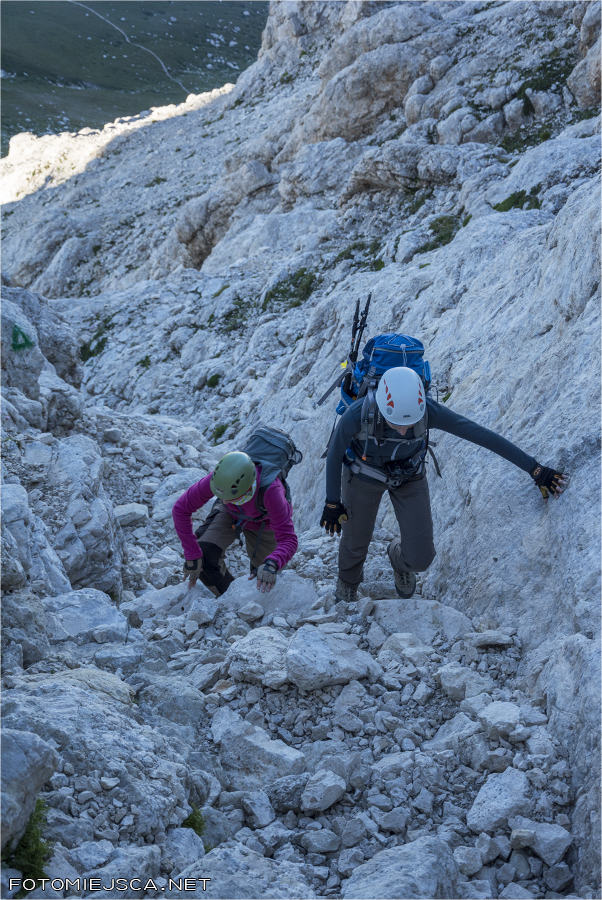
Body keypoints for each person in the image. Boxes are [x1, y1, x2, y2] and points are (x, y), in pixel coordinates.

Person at [320, 366, 567, 604]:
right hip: (363, 475)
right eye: (398, 424)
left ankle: (398, 557)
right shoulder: (358, 413)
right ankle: (348, 583)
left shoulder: (428, 409)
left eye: (410, 423)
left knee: (421, 558)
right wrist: (333, 501)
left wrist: (535, 470)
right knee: (355, 542)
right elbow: (334, 452)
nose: (405, 431)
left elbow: (480, 434)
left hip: (409, 475)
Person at [173, 450, 298, 596]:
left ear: (246, 487)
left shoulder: (272, 492)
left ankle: (252, 604)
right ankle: (230, 599)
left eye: (230, 496)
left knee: (263, 577)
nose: (223, 500)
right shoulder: (221, 479)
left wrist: (272, 563)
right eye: (221, 495)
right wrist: (192, 554)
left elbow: (288, 539)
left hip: (265, 522)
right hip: (230, 513)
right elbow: (180, 509)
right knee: (204, 557)